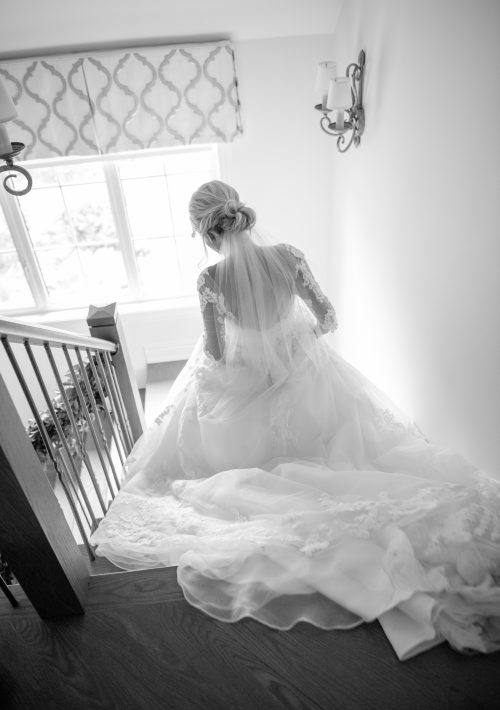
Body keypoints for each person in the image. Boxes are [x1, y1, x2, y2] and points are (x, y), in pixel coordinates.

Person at [91, 180, 500, 661]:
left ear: (205, 232)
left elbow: (219, 353)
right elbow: (326, 317)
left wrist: (252, 357)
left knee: (197, 408)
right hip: (305, 381)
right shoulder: (287, 255)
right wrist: (291, 341)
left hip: (246, 391)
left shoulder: (211, 280)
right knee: (346, 441)